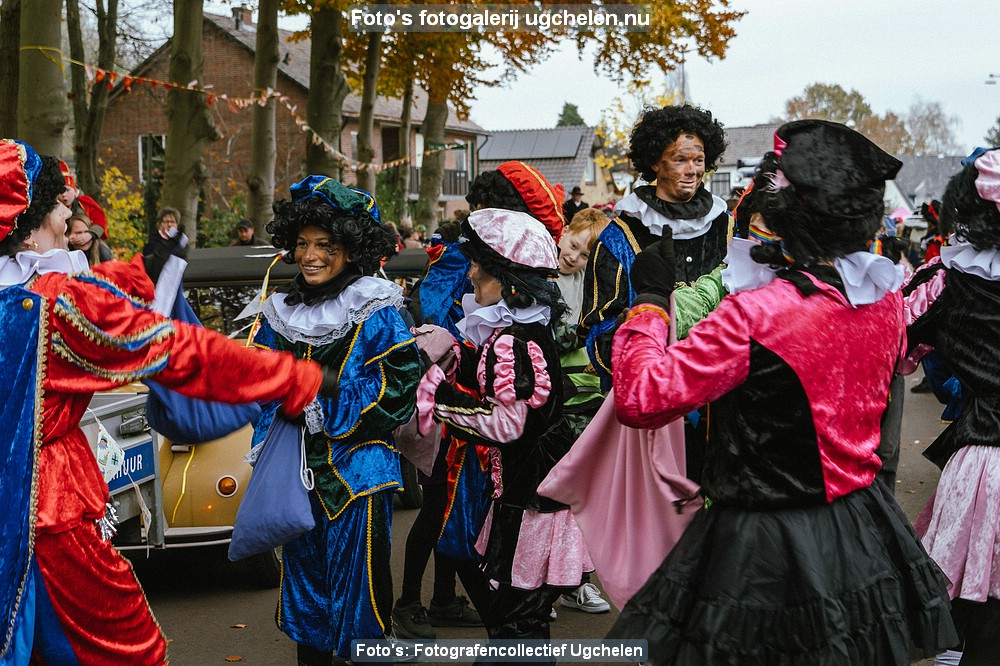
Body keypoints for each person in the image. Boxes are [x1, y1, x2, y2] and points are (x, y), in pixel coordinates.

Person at [607, 120, 956, 664]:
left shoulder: (758, 313)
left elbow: (643, 398)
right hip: (858, 526)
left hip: (762, 540)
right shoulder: (883, 299)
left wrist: (650, 302)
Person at [0, 139, 327, 665]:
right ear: (30, 218)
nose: (69, 216)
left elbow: (95, 294)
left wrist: (143, 270)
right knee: (126, 649)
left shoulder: (24, 291)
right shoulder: (52, 303)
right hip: (43, 506)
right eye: (61, 204)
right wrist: (295, 376)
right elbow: (181, 352)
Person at [254, 176, 420, 665]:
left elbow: (396, 390)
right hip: (297, 478)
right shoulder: (278, 312)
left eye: (325, 245)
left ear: (349, 249)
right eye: (302, 244)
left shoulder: (378, 309)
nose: (311, 255)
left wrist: (324, 400)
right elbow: (261, 383)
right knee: (306, 599)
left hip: (359, 474)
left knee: (362, 597)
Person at [415, 208, 592, 653]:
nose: (470, 272)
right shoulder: (526, 329)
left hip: (529, 502)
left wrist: (440, 407)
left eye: (479, 264)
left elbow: (508, 424)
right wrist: (456, 358)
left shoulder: (512, 340)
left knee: (518, 624)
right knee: (520, 623)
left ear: (506, 279)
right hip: (533, 494)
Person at [902, 147, 1000, 665]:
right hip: (982, 453)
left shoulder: (945, 282)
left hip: (984, 462)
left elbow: (891, 347)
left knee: (967, 600)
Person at [579, 104, 729, 390]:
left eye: (698, 160)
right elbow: (596, 331)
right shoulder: (620, 236)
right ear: (656, 163)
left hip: (717, 390)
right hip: (650, 387)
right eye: (680, 159)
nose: (691, 170)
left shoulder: (725, 226)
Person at [552, 206, 612, 615]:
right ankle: (538, 583)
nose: (573, 257)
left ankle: (578, 581)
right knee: (545, 493)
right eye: (572, 245)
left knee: (583, 494)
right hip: (549, 399)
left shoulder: (592, 286)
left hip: (587, 400)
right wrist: (583, 334)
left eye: (584, 254)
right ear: (564, 232)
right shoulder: (538, 275)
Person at [142, 206, 187, 283]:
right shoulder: (152, 244)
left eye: (172, 222)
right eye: (166, 222)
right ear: (160, 225)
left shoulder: (182, 243)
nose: (169, 225)